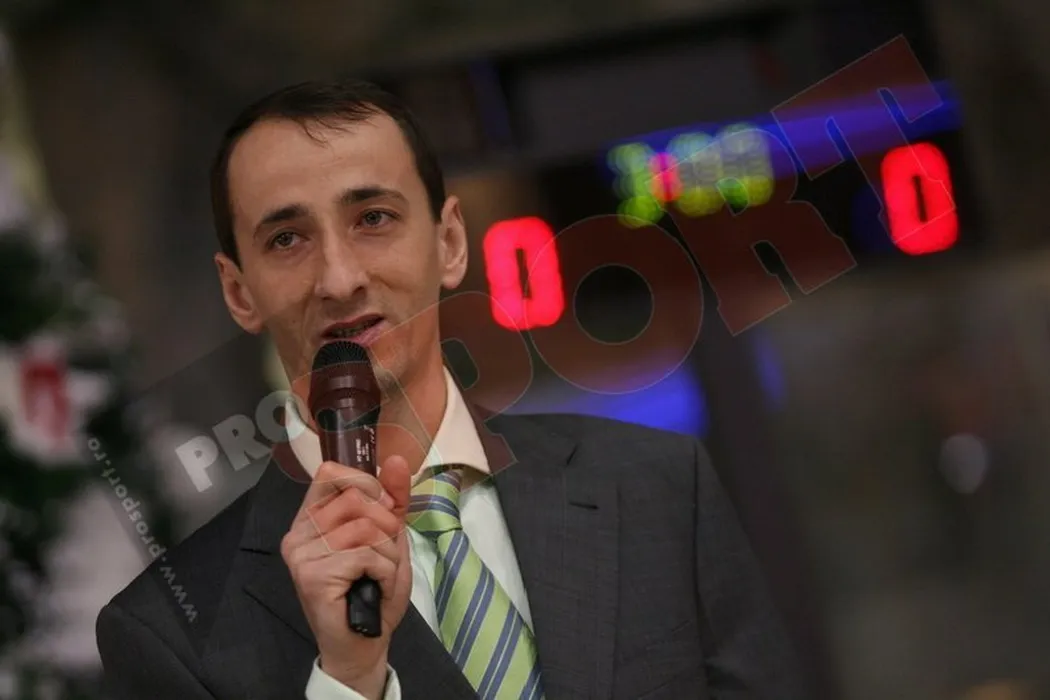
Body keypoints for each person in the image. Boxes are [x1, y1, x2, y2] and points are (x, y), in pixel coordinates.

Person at [95, 79, 806, 700]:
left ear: (451, 243)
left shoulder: (657, 488)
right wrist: (348, 681)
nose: (339, 278)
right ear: (239, 292)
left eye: (373, 219)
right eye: (287, 239)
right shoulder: (169, 633)